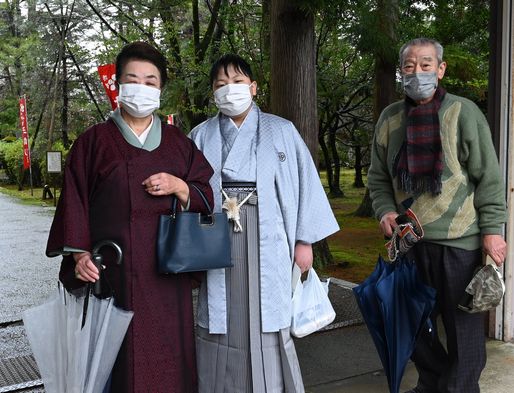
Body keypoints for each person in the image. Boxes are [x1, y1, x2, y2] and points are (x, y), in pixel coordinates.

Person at [46, 41, 214, 392]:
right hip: (114, 272)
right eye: (133, 79)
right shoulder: (93, 142)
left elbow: (205, 194)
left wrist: (180, 186)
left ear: (161, 89)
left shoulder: (178, 143)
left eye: (151, 82)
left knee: (171, 364)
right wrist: (79, 254)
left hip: (168, 276)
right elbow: (74, 201)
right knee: (114, 365)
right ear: (118, 86)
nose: (142, 88)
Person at [189, 54, 339, 392]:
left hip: (268, 232)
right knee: (219, 318)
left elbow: (304, 186)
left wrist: (304, 241)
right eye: (221, 84)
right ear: (213, 93)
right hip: (217, 234)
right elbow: (187, 191)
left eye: (238, 82)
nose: (230, 90)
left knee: (269, 318)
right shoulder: (200, 135)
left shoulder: (281, 130)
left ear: (254, 87)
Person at [368, 37, 507, 393]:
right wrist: (384, 210)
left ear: (440, 69)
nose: (418, 73)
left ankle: (458, 388)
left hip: (459, 242)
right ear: (401, 71)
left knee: (464, 328)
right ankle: (434, 382)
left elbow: (488, 178)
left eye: (426, 65)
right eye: (410, 66)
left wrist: (492, 231)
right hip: (408, 242)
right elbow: (378, 177)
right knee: (409, 323)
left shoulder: (464, 113)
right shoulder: (389, 118)